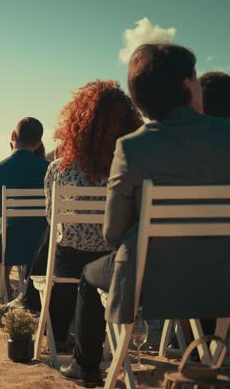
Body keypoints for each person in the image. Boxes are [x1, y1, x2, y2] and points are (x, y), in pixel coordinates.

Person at [60, 43, 230, 387]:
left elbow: (113, 232)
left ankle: (87, 366)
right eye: (196, 79)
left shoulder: (132, 147)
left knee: (89, 276)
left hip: (152, 286)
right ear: (186, 85)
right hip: (220, 282)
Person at [38, 80, 143, 349]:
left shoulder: (59, 169)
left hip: (69, 264)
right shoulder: (131, 167)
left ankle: (58, 335)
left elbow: (52, 219)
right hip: (116, 262)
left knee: (62, 248)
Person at [0, 117, 50, 293]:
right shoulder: (51, 170)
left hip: (10, 243)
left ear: (13, 136)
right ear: (38, 144)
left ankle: (3, 285)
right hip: (43, 243)